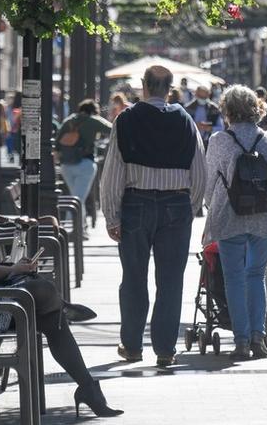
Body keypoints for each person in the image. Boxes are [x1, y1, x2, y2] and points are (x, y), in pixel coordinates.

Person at [100, 65, 207, 368]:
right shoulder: (185, 121)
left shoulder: (126, 120)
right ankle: (165, 348)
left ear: (144, 86)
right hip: (176, 205)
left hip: (136, 204)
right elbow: (199, 171)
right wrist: (191, 206)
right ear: (170, 89)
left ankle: (132, 345)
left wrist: (111, 215)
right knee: (171, 280)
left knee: (134, 277)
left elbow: (113, 172)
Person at [0, 230, 122, 417]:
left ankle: (87, 387)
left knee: (49, 312)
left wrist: (13, 268)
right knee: (43, 294)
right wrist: (13, 270)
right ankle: (89, 390)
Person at [204, 85, 267, 360]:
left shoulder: (219, 141)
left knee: (234, 278)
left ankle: (241, 342)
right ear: (256, 109)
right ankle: (258, 337)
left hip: (230, 217)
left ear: (227, 111)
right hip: (264, 219)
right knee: (256, 275)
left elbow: (208, 184)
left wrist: (211, 204)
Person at [55, 99, 112, 229]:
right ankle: (72, 228)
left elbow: (57, 143)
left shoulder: (68, 121)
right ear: (93, 111)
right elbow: (113, 129)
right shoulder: (93, 120)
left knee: (75, 196)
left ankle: (81, 227)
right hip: (85, 164)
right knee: (78, 198)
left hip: (66, 165)